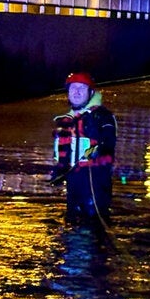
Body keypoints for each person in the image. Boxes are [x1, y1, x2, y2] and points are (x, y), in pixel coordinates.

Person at [50, 72, 117, 227]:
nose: (77, 92)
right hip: (73, 182)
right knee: (73, 221)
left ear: (90, 92)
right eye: (73, 88)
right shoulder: (65, 120)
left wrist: (99, 147)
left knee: (94, 223)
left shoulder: (102, 116)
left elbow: (109, 143)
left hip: (95, 182)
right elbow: (63, 152)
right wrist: (59, 171)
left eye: (82, 88)